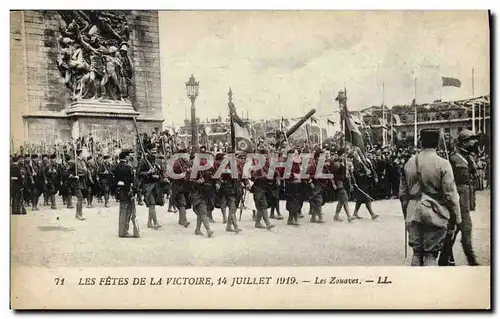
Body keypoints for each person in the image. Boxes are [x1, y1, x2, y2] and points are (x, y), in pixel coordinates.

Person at [399, 129, 461, 266]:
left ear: (421, 142)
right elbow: (451, 194)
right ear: (437, 143)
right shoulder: (443, 163)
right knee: (430, 254)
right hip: (435, 211)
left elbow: (402, 194)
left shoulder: (409, 162)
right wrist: (457, 217)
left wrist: (407, 213)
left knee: (416, 253)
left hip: (413, 210)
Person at [439, 129, 480, 266]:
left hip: (465, 201)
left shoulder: (468, 157)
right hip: (459, 201)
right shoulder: (454, 158)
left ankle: (444, 259)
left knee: (452, 231)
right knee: (464, 229)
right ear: (464, 142)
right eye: (472, 139)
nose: (475, 142)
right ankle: (472, 261)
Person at [114, 150, 140, 238]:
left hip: (119, 191)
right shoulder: (128, 167)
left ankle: (121, 231)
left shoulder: (116, 167)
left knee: (122, 211)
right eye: (129, 155)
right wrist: (135, 191)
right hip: (128, 191)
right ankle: (127, 231)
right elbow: (132, 180)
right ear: (126, 157)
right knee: (130, 212)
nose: (130, 157)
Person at [138, 148, 163, 229]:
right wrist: (148, 173)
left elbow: (159, 172)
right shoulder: (143, 161)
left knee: (153, 204)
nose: (155, 154)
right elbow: (139, 173)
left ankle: (149, 222)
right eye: (153, 152)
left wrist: (158, 174)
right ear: (148, 151)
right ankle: (155, 222)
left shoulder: (154, 161)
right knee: (152, 203)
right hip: (147, 185)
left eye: (156, 152)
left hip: (154, 185)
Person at [331, 148, 354, 222]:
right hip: (339, 184)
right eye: (343, 155)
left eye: (345, 155)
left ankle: (336, 215)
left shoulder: (343, 164)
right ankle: (349, 216)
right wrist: (334, 184)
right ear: (339, 156)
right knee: (345, 199)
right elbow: (333, 175)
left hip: (343, 183)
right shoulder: (336, 164)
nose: (345, 157)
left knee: (341, 201)